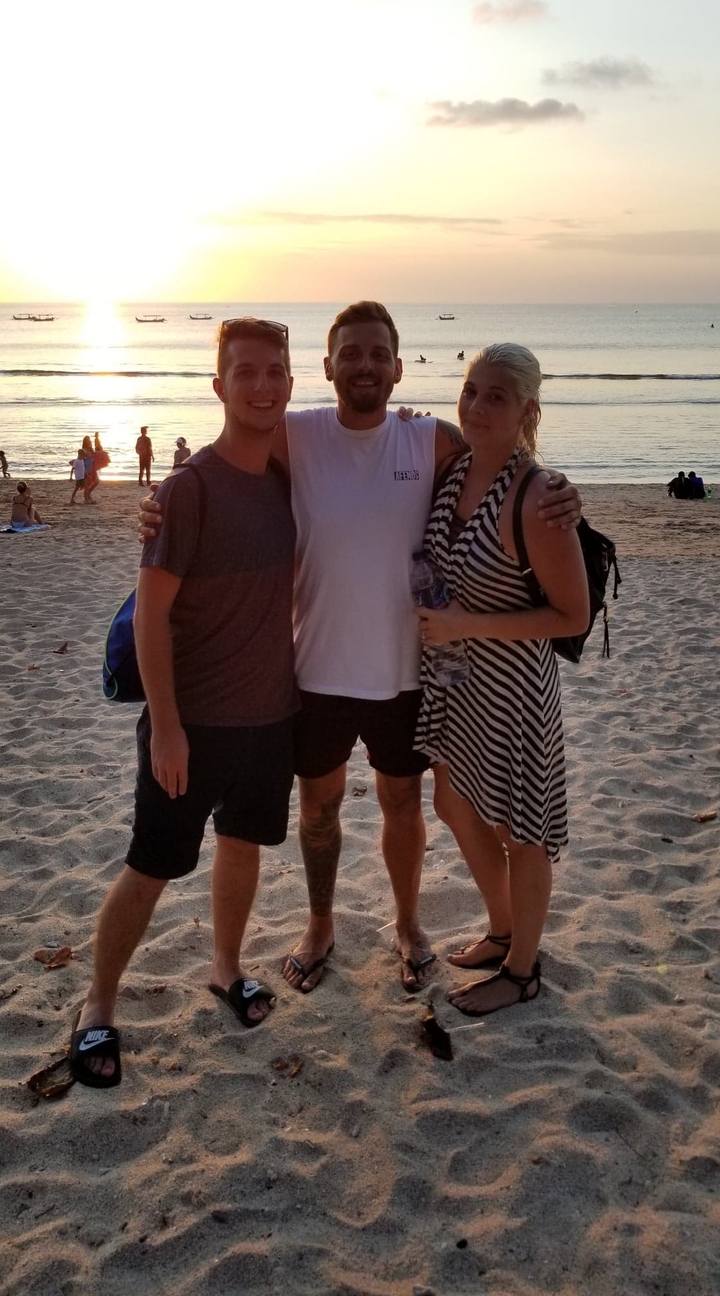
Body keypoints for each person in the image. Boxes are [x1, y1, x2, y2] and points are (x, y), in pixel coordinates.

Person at [139, 302, 581, 995]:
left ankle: (407, 924)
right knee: (319, 809)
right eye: (351, 353)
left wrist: (563, 493)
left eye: (378, 354)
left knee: (404, 805)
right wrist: (162, 500)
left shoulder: (431, 441)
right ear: (327, 367)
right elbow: (228, 454)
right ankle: (320, 924)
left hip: (408, 674)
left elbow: (507, 465)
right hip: (314, 670)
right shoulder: (296, 434)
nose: (365, 365)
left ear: (399, 368)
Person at [69, 319, 298, 1089]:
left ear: (291, 381)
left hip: (271, 718)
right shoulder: (187, 490)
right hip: (191, 724)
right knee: (152, 865)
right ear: (219, 385)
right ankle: (99, 1001)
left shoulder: (287, 479)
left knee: (243, 845)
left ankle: (225, 967)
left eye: (275, 371)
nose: (262, 385)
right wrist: (165, 728)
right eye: (246, 372)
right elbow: (152, 615)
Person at [413, 344, 589, 1017]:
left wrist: (466, 624)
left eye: (497, 397)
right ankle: (504, 928)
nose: (478, 406)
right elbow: (388, 440)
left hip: (513, 689)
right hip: (456, 681)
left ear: (527, 411)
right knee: (453, 805)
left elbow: (571, 615)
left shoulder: (539, 497)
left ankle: (521, 972)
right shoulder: (453, 467)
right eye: (470, 390)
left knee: (524, 832)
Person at [81, 436, 99, 502]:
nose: (89, 441)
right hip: (87, 469)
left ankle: (88, 494)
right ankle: (86, 499)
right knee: (87, 484)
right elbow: (81, 459)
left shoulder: (90, 448)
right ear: (85, 441)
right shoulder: (83, 450)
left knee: (97, 481)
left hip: (92, 468)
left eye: (89, 440)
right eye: (87, 440)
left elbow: (94, 455)